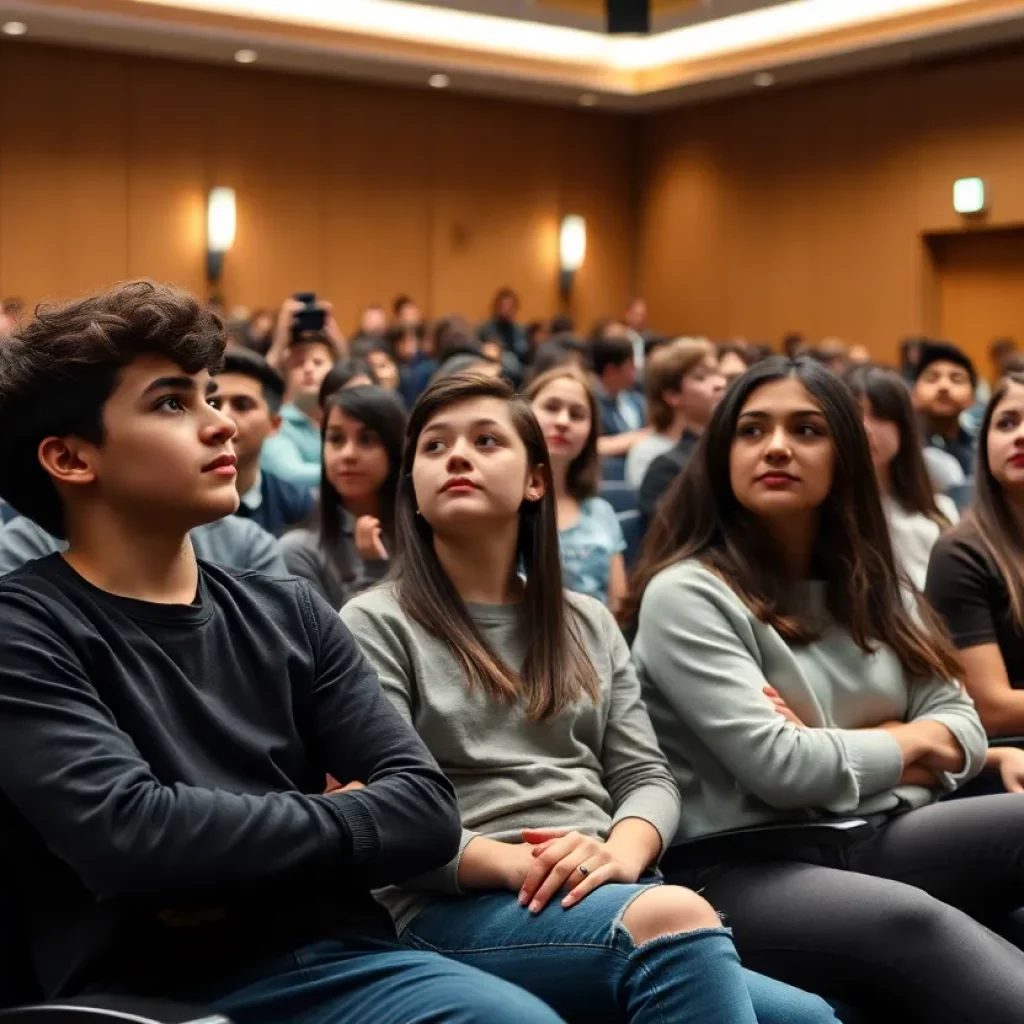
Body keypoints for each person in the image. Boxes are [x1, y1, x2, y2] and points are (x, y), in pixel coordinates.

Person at [0, 282, 560, 1024]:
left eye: (212, 396)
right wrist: (339, 821)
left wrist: (214, 865)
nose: (221, 424)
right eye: (173, 403)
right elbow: (133, 838)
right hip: (161, 994)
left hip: (351, 958)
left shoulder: (286, 609)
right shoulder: (24, 628)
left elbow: (426, 808)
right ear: (70, 458)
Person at [341, 372, 838, 1024]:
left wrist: (620, 852)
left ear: (535, 481)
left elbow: (645, 776)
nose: (456, 456)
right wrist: (512, 864)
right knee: (675, 920)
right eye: (433, 448)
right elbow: (375, 810)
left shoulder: (587, 621)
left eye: (486, 440)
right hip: (446, 904)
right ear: (414, 490)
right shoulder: (374, 622)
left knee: (812, 1018)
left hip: (601, 886)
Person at [627, 356, 1024, 1022]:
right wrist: (912, 743)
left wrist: (849, 749)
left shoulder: (875, 585)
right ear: (723, 454)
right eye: (753, 431)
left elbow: (962, 726)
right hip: (739, 864)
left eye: (806, 429)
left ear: (843, 453)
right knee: (915, 923)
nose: (777, 446)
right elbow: (784, 769)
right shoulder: (686, 594)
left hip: (873, 830)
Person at [927, 371, 1024, 740]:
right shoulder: (960, 553)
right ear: (984, 445)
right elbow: (992, 709)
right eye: (1006, 423)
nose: (1020, 435)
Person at [281, 386, 405, 610]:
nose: (348, 454)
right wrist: (373, 569)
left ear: (394, 448)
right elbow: (329, 643)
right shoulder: (300, 551)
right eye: (336, 439)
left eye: (367, 440)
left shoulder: (427, 535)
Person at [844, 364, 956, 589]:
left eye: (879, 416)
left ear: (904, 429)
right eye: (855, 415)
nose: (866, 428)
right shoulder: (825, 516)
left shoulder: (941, 513)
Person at [526, 367, 627, 611]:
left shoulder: (601, 512)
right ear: (524, 415)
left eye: (577, 415)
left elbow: (618, 606)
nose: (563, 421)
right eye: (551, 408)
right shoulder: (499, 508)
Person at [211, 349, 314, 535]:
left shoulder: (297, 504)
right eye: (212, 404)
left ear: (274, 424)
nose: (223, 417)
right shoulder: (174, 500)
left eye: (242, 405)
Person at [637, 343, 726, 523]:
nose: (720, 384)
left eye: (718, 374)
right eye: (701, 378)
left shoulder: (734, 449)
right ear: (673, 396)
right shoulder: (664, 468)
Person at [261, 329, 339, 489]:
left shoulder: (344, 418)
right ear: (286, 376)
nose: (309, 369)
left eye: (318, 362)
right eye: (298, 363)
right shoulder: (277, 423)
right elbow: (289, 474)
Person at [912, 341, 977, 478]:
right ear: (913, 394)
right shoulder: (899, 447)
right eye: (931, 378)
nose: (944, 386)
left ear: (973, 397)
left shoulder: (983, 448)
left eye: (957, 379)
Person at [591, 335, 648, 474]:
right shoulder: (589, 404)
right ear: (611, 370)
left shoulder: (638, 401)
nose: (636, 370)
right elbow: (590, 448)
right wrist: (643, 436)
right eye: (631, 365)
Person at [480, 288, 527, 361]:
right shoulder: (487, 329)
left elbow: (524, 353)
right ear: (496, 307)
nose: (506, 310)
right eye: (503, 306)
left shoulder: (520, 330)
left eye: (510, 307)